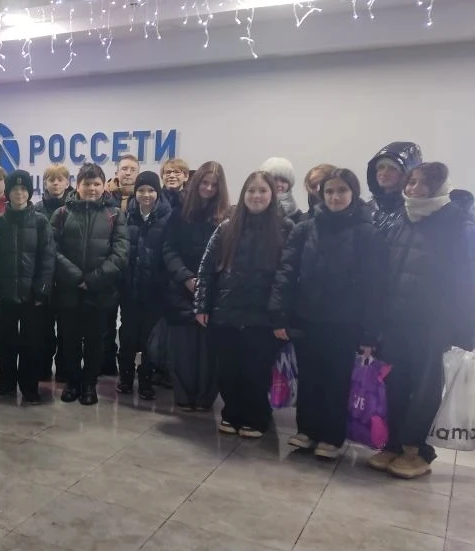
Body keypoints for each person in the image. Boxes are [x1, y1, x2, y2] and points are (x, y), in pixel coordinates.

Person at [269, 169, 387, 458]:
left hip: (345, 324)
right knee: (309, 378)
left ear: (353, 193)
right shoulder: (305, 228)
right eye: (329, 191)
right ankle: (307, 430)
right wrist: (279, 314)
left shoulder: (368, 233)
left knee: (337, 381)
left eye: (341, 191)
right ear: (321, 195)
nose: (335, 197)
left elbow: (376, 286)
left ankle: (331, 437)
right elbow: (286, 273)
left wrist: (370, 332)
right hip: (307, 318)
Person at [370, 162, 474, 478]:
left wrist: (465, 330)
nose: (414, 189)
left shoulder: (456, 224)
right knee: (396, 384)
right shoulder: (403, 218)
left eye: (423, 184)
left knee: (425, 389)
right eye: (411, 182)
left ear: (438, 187)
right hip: (397, 320)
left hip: (432, 324)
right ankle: (393, 444)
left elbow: (466, 281)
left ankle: (416, 451)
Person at [196, 171, 291, 438]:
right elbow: (206, 269)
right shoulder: (227, 227)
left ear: (272, 195)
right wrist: (201, 306)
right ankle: (231, 413)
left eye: (262, 190)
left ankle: (256, 417)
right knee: (227, 369)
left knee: (256, 370)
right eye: (251, 190)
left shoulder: (285, 228)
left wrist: (282, 315)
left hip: (263, 317)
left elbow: (290, 276)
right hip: (225, 313)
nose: (256, 196)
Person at [52, 163, 129, 406]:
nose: (92, 188)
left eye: (96, 184)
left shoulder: (115, 215)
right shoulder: (62, 213)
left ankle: (89, 384)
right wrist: (76, 277)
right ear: (77, 185)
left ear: (104, 185)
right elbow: (52, 250)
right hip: (69, 289)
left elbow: (121, 254)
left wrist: (93, 279)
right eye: (87, 184)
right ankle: (72, 382)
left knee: (96, 341)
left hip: (100, 291)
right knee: (69, 340)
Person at [162, 160, 230, 411]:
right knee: (183, 351)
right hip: (181, 290)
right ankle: (184, 397)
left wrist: (206, 284)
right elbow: (168, 249)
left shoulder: (227, 217)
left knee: (208, 352)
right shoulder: (179, 213)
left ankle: (204, 399)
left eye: (214, 184)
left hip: (212, 294)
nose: (208, 188)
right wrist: (187, 278)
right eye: (204, 183)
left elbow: (226, 255)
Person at [0, 169, 55, 405]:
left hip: (32, 296)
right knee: (5, 342)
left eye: (23, 189)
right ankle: (6, 382)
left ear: (29, 192)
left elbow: (48, 259)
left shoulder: (40, 222)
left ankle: (29, 386)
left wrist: (42, 289)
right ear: (8, 192)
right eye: (15, 189)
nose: (19, 193)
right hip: (5, 295)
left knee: (31, 344)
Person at [118, 171, 171, 399]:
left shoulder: (168, 218)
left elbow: (169, 254)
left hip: (154, 292)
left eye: (151, 190)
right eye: (141, 190)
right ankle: (125, 377)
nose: (146, 194)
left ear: (157, 192)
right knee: (127, 336)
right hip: (130, 290)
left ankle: (146, 380)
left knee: (150, 340)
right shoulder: (125, 215)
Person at [102, 154, 141, 376]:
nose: (128, 173)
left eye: (132, 169)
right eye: (124, 168)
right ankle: (106, 362)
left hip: (133, 272)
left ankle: (127, 369)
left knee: (129, 323)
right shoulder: (106, 198)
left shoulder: (144, 197)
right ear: (117, 172)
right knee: (106, 320)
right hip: (108, 268)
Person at [35, 164, 74, 381]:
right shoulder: (36, 209)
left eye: (60, 179)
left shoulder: (75, 208)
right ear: (45, 183)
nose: (56, 183)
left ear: (68, 183)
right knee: (43, 328)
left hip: (67, 277)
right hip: (43, 278)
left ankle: (65, 369)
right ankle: (42, 367)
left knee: (67, 329)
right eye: (51, 180)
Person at [365, 141, 423, 234]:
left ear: (406, 174)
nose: (384, 173)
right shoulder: (366, 209)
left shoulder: (414, 213)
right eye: (381, 167)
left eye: (393, 168)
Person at [260, 157, 303, 222]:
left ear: (289, 185)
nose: (278, 184)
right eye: (274, 180)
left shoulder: (296, 214)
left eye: (283, 180)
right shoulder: (255, 209)